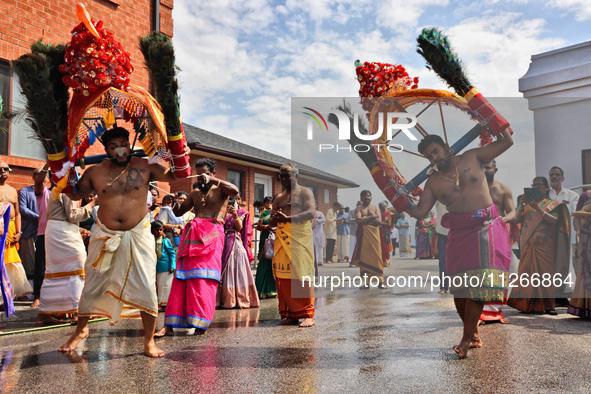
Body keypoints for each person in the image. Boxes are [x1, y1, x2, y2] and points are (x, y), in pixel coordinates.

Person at [59, 126, 189, 358]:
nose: (120, 150)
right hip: (105, 235)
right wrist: (62, 170)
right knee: (93, 284)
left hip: (138, 234)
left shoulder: (145, 165)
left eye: (123, 144)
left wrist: (181, 155)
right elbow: (75, 194)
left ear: (129, 144)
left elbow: (177, 175)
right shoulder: (95, 171)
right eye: (113, 146)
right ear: (106, 149)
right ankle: (81, 330)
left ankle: (148, 342)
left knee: (147, 286)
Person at [407, 127, 513, 359]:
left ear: (445, 145)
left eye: (435, 151)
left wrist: (498, 125)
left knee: (477, 284)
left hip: (484, 227)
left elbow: (507, 142)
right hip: (457, 232)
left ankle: (465, 340)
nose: (434, 158)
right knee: (459, 289)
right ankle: (473, 334)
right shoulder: (433, 182)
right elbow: (419, 212)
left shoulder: (473, 156)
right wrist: (397, 197)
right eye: (429, 156)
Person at [155, 158, 238, 337]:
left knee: (203, 279)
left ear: (213, 174)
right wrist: (174, 203)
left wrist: (212, 181)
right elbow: (179, 212)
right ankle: (169, 325)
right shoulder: (194, 193)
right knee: (181, 278)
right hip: (192, 234)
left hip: (213, 234)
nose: (201, 177)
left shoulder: (222, 190)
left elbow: (235, 190)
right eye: (199, 173)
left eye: (205, 173)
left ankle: (200, 323)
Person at [508, 176, 570, 315]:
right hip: (529, 245)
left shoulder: (553, 204)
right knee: (527, 274)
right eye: (533, 185)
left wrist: (538, 208)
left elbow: (553, 221)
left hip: (546, 245)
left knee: (546, 275)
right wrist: (522, 205)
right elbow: (517, 219)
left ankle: (548, 306)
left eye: (539, 185)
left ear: (546, 188)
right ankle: (526, 305)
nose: (536, 188)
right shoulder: (526, 205)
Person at [36, 189, 95, 325]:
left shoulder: (59, 188)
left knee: (55, 272)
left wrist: (78, 230)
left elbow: (62, 216)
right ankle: (78, 313)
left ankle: (44, 314)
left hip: (56, 230)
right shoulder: (68, 189)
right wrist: (92, 204)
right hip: (63, 233)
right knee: (78, 268)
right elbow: (73, 215)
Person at [269, 163, 315, 327]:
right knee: (283, 274)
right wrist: (274, 218)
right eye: (281, 176)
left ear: (296, 176)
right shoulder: (279, 198)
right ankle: (291, 314)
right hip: (282, 236)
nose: (283, 179)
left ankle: (308, 314)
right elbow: (270, 220)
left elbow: (310, 213)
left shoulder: (305, 192)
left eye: (287, 175)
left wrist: (288, 219)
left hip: (299, 237)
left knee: (301, 273)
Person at [478, 160, 516, 325]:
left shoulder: (503, 189)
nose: (485, 170)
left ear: (495, 169)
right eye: (483, 167)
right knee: (479, 270)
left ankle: (495, 311)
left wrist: (502, 219)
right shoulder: (474, 189)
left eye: (488, 167)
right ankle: (479, 312)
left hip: (498, 231)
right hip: (477, 232)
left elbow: (513, 212)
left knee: (498, 269)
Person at [217, 194, 259, 309]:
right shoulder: (220, 212)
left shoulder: (241, 212)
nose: (230, 202)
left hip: (235, 242)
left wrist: (235, 214)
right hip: (222, 242)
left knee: (236, 269)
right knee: (225, 269)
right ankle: (225, 299)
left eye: (233, 200)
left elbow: (239, 228)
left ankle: (239, 298)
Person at [0, 160, 32, 302]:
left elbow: (18, 213)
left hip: (11, 230)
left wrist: (19, 232)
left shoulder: (13, 190)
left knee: (13, 262)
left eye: (5, 168)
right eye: (0, 168)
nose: (3, 171)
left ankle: (14, 294)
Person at [18, 165, 48, 285]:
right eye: (40, 175)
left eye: (45, 175)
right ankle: (30, 291)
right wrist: (39, 218)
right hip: (30, 231)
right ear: (34, 177)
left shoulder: (50, 192)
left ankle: (41, 291)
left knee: (42, 263)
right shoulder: (25, 191)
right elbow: (22, 209)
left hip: (45, 232)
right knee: (29, 262)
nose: (43, 177)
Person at [548, 166, 580, 277]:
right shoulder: (545, 195)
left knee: (567, 263)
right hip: (548, 235)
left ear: (563, 178)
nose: (554, 177)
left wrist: (577, 238)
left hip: (567, 236)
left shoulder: (573, 196)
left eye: (557, 175)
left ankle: (566, 291)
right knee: (549, 264)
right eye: (551, 175)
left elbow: (575, 216)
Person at [352, 190, 384, 289]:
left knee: (377, 257)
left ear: (371, 197)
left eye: (368, 195)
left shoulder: (375, 207)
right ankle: (366, 283)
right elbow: (358, 220)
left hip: (374, 236)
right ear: (361, 198)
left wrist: (365, 218)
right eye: (365, 196)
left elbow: (379, 221)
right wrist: (372, 216)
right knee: (365, 257)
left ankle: (380, 282)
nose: (367, 197)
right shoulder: (358, 209)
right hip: (364, 236)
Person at [568, 190, 591, 318]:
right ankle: (586, 307)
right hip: (586, 238)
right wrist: (578, 233)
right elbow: (577, 217)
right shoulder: (585, 196)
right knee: (586, 269)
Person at [254, 196, 277, 299]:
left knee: (274, 263)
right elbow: (259, 226)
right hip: (266, 240)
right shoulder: (264, 213)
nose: (269, 205)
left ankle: (273, 290)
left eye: (271, 203)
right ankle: (260, 290)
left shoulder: (279, 213)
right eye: (267, 203)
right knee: (264, 262)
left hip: (276, 239)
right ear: (264, 205)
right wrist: (268, 227)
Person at [151, 220, 176, 311]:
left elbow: (172, 253)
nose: (159, 232)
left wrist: (172, 266)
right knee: (157, 286)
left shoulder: (165, 240)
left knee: (165, 286)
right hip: (154, 267)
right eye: (156, 230)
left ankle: (164, 304)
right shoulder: (150, 240)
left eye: (160, 230)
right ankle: (157, 303)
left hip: (166, 267)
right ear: (152, 231)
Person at [434, 201, 449, 294]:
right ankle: (444, 287)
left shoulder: (457, 192)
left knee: (459, 261)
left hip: (457, 231)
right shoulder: (439, 198)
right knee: (443, 261)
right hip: (442, 233)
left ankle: (459, 286)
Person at [311, 200, 326, 275]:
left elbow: (323, 220)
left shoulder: (320, 213)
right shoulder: (310, 213)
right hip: (313, 231)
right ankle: (315, 262)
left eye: (315, 205)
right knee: (314, 247)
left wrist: (317, 220)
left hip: (319, 231)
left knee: (319, 247)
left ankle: (320, 261)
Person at [378, 201, 394, 266]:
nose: (379, 208)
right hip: (378, 231)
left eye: (380, 207)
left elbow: (390, 224)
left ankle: (386, 261)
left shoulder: (389, 214)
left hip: (385, 232)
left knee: (385, 247)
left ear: (384, 206)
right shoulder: (379, 213)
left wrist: (381, 223)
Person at [349, 201, 361, 266]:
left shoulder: (364, 212)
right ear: (356, 205)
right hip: (353, 232)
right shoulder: (351, 212)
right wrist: (356, 219)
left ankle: (359, 262)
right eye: (359, 205)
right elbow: (349, 219)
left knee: (360, 247)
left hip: (361, 232)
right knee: (352, 246)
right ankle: (351, 261)